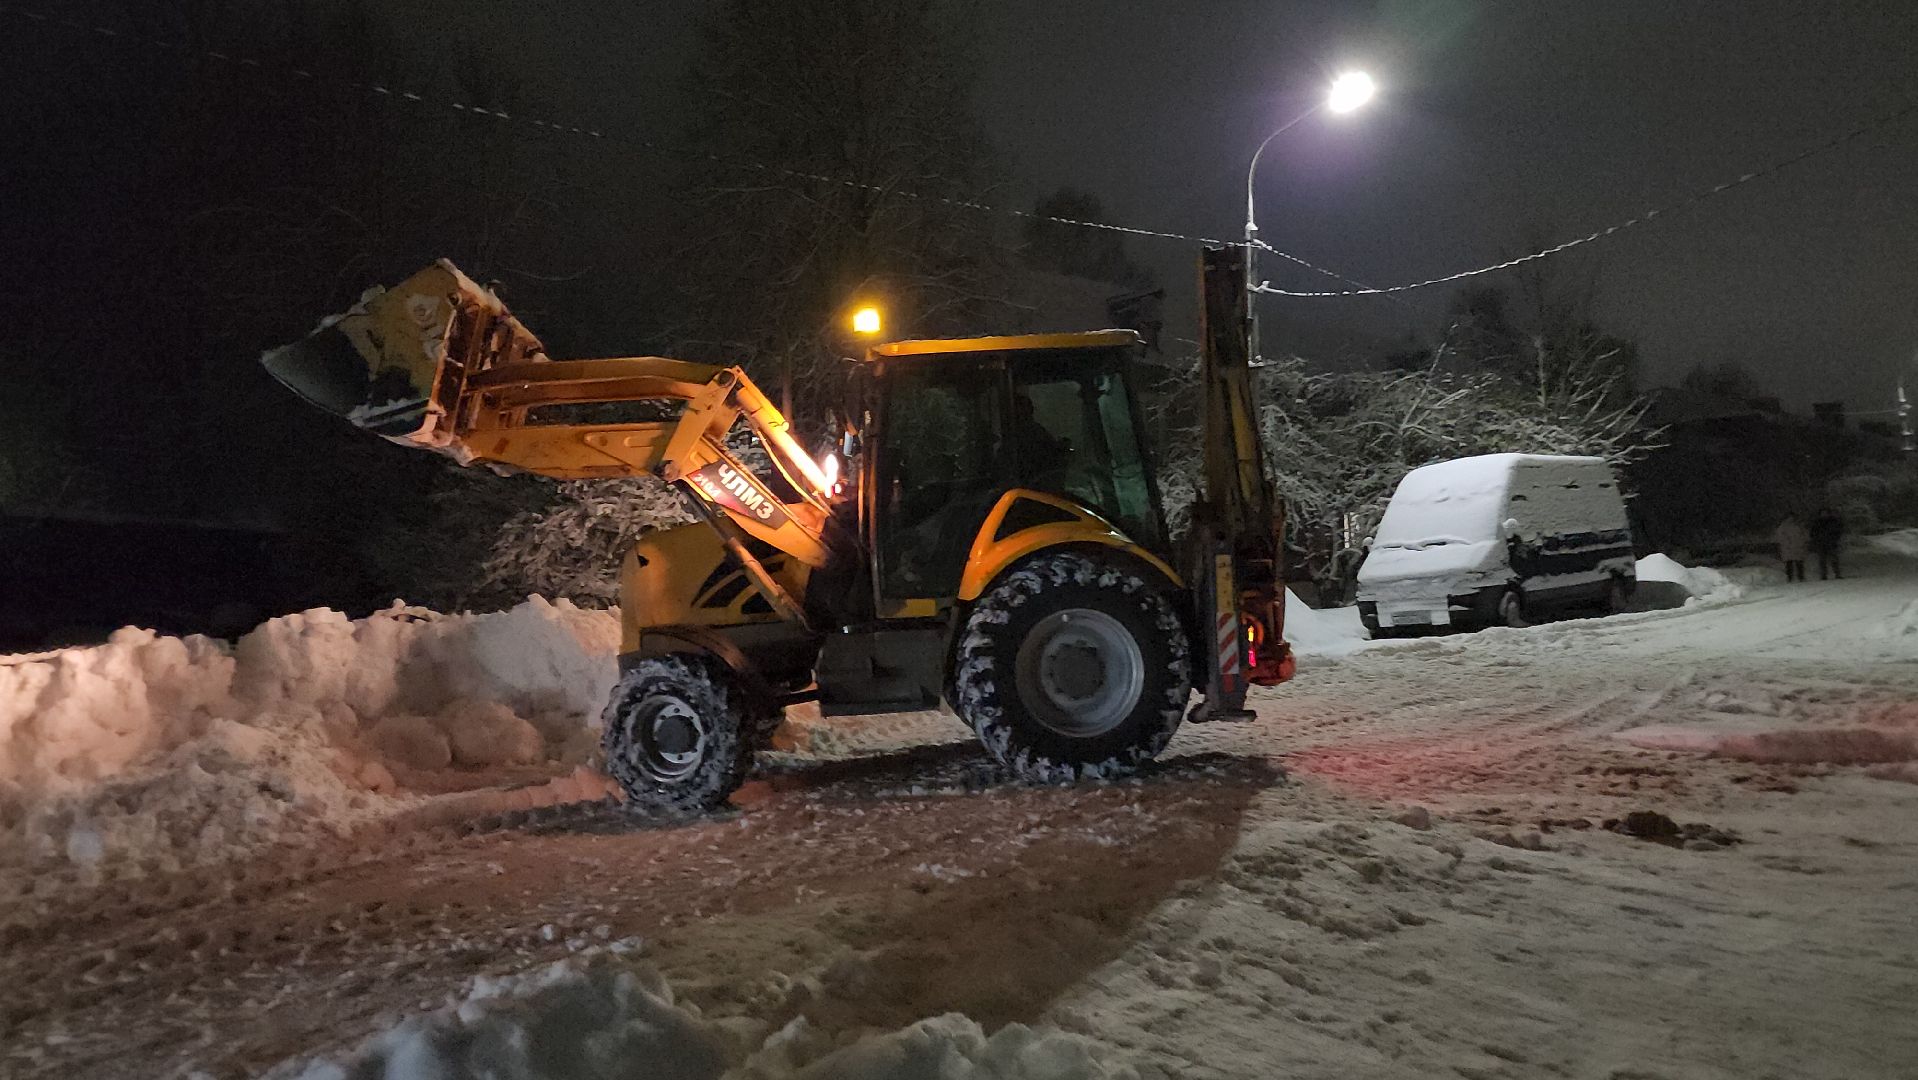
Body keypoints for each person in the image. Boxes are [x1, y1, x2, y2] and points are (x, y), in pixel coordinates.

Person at [1809, 506, 1845, 580]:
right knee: (1822, 560)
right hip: (1821, 543)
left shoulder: (1833, 521)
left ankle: (1837, 573)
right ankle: (1823, 575)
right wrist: (1816, 540)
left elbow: (1838, 531)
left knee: (1834, 559)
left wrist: (1835, 538)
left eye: (1825, 513)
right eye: (1822, 513)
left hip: (1831, 543)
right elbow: (1813, 533)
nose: (1824, 514)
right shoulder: (1817, 522)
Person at [1773, 513, 1810, 583]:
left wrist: (1802, 542)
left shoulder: (1799, 525)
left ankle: (1801, 577)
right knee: (1789, 563)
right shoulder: (1783, 526)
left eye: (1792, 517)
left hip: (1798, 547)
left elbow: (1804, 535)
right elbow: (1780, 537)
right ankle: (1790, 578)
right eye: (1789, 517)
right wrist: (1786, 543)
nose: (1791, 519)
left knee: (1799, 563)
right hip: (1788, 548)